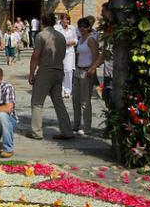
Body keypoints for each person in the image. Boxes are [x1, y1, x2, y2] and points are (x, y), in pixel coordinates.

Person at [27, 12, 74, 141]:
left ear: (42, 22)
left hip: (46, 70)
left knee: (37, 102)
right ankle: (67, 130)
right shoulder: (60, 36)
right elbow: (63, 54)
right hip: (59, 70)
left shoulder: (41, 35)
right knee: (58, 102)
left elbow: (36, 55)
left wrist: (32, 73)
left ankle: (36, 132)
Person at [72, 17, 99, 135]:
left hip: (86, 71)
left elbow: (96, 55)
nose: (82, 28)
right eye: (80, 26)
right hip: (78, 70)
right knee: (75, 99)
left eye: (84, 26)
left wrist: (92, 68)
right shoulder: (80, 39)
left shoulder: (91, 39)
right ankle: (76, 124)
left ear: (88, 27)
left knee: (85, 100)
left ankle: (87, 127)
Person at [56, 12, 77, 98]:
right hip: (59, 52)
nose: (67, 21)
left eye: (68, 19)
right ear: (61, 20)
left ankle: (68, 90)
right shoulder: (56, 28)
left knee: (68, 70)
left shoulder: (72, 28)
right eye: (66, 19)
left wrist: (73, 42)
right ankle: (60, 90)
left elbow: (76, 39)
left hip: (69, 52)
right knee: (60, 70)